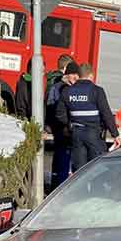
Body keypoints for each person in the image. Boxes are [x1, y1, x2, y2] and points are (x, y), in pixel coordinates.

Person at [57, 62, 118, 171]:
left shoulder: (67, 91)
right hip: (93, 134)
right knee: (96, 168)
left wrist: (70, 124)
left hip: (76, 134)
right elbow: (106, 114)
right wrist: (115, 134)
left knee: (80, 170)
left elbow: (60, 114)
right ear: (91, 75)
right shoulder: (97, 91)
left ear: (79, 75)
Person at [47, 59, 80, 187]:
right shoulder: (59, 88)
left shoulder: (61, 87)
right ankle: (59, 187)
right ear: (67, 74)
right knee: (62, 163)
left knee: (61, 162)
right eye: (73, 75)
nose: (76, 78)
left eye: (77, 76)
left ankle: (56, 186)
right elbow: (51, 107)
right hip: (62, 130)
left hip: (64, 130)